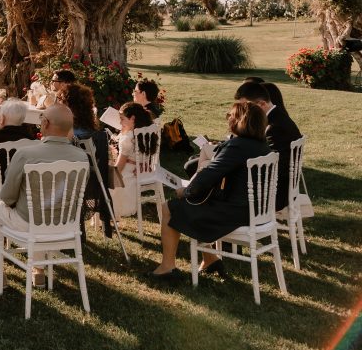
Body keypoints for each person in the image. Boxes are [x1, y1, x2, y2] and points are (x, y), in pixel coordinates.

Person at [148, 100, 272, 280]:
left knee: (170, 207)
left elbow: (209, 176)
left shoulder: (238, 146)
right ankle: (210, 259)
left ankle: (167, 266)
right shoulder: (262, 145)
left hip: (235, 213)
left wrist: (186, 191)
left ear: (239, 121)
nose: (228, 119)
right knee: (200, 203)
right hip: (256, 210)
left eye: (230, 116)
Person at [0, 105, 89, 286]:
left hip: (28, 223)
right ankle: (38, 269)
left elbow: (7, 197)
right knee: (40, 208)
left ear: (44, 123)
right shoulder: (82, 157)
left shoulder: (26, 154)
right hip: (66, 223)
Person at [235, 81, 302, 211]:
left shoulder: (274, 127)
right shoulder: (278, 116)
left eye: (246, 107)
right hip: (285, 187)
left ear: (262, 104)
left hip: (276, 195)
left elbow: (273, 167)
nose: (244, 112)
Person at [109, 102, 156, 218]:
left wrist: (109, 177)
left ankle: (104, 215)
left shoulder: (127, 138)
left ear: (132, 118)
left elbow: (119, 167)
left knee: (101, 177)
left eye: (122, 119)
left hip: (127, 175)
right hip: (143, 170)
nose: (120, 122)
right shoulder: (146, 131)